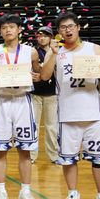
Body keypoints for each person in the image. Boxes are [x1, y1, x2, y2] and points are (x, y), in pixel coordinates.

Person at [38, 11, 100, 199]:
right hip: (67, 115)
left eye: (71, 26)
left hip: (92, 114)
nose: (68, 30)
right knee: (68, 158)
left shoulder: (94, 48)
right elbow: (44, 76)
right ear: (59, 31)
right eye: (63, 27)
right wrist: (53, 54)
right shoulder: (56, 51)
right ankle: (73, 194)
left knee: (99, 158)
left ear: (78, 27)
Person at [0, 14, 40, 199]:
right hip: (2, 101)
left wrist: (36, 76)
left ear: (19, 29)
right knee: (1, 150)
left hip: (23, 100)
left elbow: (39, 75)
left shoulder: (31, 52)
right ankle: (1, 191)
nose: (8, 30)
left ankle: (25, 192)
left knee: (25, 150)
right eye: (4, 27)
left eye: (11, 26)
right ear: (0, 31)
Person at [31, 27, 59, 164]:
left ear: (51, 38)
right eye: (40, 36)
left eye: (45, 36)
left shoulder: (57, 52)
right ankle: (31, 155)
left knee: (52, 126)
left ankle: (54, 155)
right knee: (33, 125)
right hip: (34, 93)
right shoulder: (32, 52)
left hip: (51, 93)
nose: (42, 38)